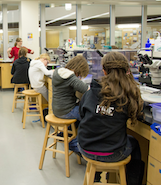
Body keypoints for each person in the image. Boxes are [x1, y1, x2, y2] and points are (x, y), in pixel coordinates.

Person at [77, 52, 144, 184]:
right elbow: (137, 115)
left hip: (85, 148)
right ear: (127, 70)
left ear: (104, 71)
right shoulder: (128, 95)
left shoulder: (91, 92)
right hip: (113, 154)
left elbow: (81, 115)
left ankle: (95, 175)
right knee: (134, 143)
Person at [52, 55, 89, 121]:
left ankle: (71, 129)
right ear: (79, 69)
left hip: (57, 110)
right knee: (89, 114)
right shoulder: (70, 77)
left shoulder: (59, 72)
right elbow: (86, 89)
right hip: (66, 112)